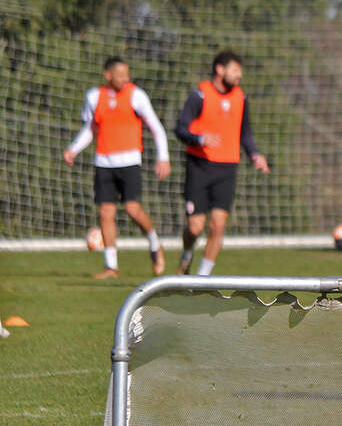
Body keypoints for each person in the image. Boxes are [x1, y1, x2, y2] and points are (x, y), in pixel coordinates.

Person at [64, 57, 172, 279]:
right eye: (121, 74)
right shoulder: (94, 96)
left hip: (130, 162)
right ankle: (111, 266)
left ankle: (154, 244)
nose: (126, 78)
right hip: (103, 163)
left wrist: (163, 158)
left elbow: (157, 128)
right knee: (106, 212)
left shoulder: (136, 96)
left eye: (127, 74)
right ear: (108, 75)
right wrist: (73, 149)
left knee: (133, 209)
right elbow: (90, 129)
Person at [172, 50, 270, 276]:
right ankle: (187, 252)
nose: (239, 76)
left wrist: (255, 155)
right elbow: (180, 128)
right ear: (220, 69)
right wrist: (200, 138)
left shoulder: (241, 98)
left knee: (218, 226)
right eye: (235, 70)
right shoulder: (201, 95)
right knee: (195, 228)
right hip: (199, 166)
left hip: (227, 168)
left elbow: (245, 133)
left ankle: (201, 279)